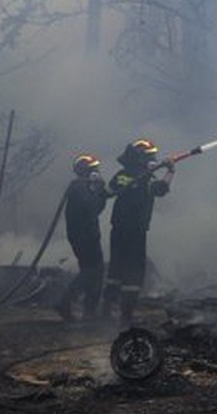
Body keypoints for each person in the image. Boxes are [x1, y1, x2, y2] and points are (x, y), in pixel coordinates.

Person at [102, 138, 172, 327]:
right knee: (134, 271)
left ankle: (105, 310)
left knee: (115, 269)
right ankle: (126, 315)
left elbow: (107, 192)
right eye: (151, 157)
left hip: (117, 230)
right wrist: (170, 170)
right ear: (141, 159)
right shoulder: (146, 180)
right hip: (136, 231)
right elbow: (162, 189)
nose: (154, 159)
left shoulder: (121, 175)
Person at [56, 154, 108, 322]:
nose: (98, 172)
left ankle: (89, 312)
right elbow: (90, 206)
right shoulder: (78, 188)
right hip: (84, 237)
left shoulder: (85, 187)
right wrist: (98, 189)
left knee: (96, 272)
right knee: (91, 271)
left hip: (88, 235)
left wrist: (99, 193)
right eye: (94, 169)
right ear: (88, 172)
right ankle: (65, 301)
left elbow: (96, 209)